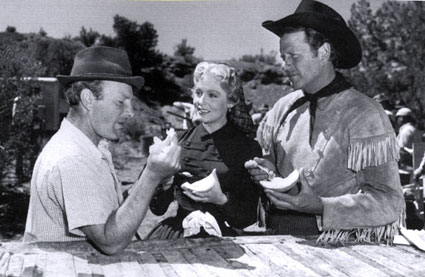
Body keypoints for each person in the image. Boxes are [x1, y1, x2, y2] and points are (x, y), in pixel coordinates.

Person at [245, 0, 405, 244]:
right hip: (278, 241)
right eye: (282, 57)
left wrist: (322, 206)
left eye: (293, 56)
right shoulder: (282, 108)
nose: (284, 65)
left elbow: (389, 202)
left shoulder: (365, 113)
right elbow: (273, 167)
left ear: (324, 52)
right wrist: (266, 173)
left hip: (341, 249)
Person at [24, 46, 181, 255]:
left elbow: (108, 211)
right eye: (120, 102)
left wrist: (156, 180)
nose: (131, 113)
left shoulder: (91, 147)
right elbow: (110, 242)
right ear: (88, 99)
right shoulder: (72, 159)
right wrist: (151, 175)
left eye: (131, 103)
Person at [146, 62, 262, 239]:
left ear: (231, 101)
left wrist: (220, 199)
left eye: (213, 95)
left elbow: (247, 217)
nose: (201, 102)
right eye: (198, 93)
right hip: (176, 234)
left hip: (223, 238)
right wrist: (165, 182)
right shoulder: (178, 141)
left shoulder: (247, 148)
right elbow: (157, 208)